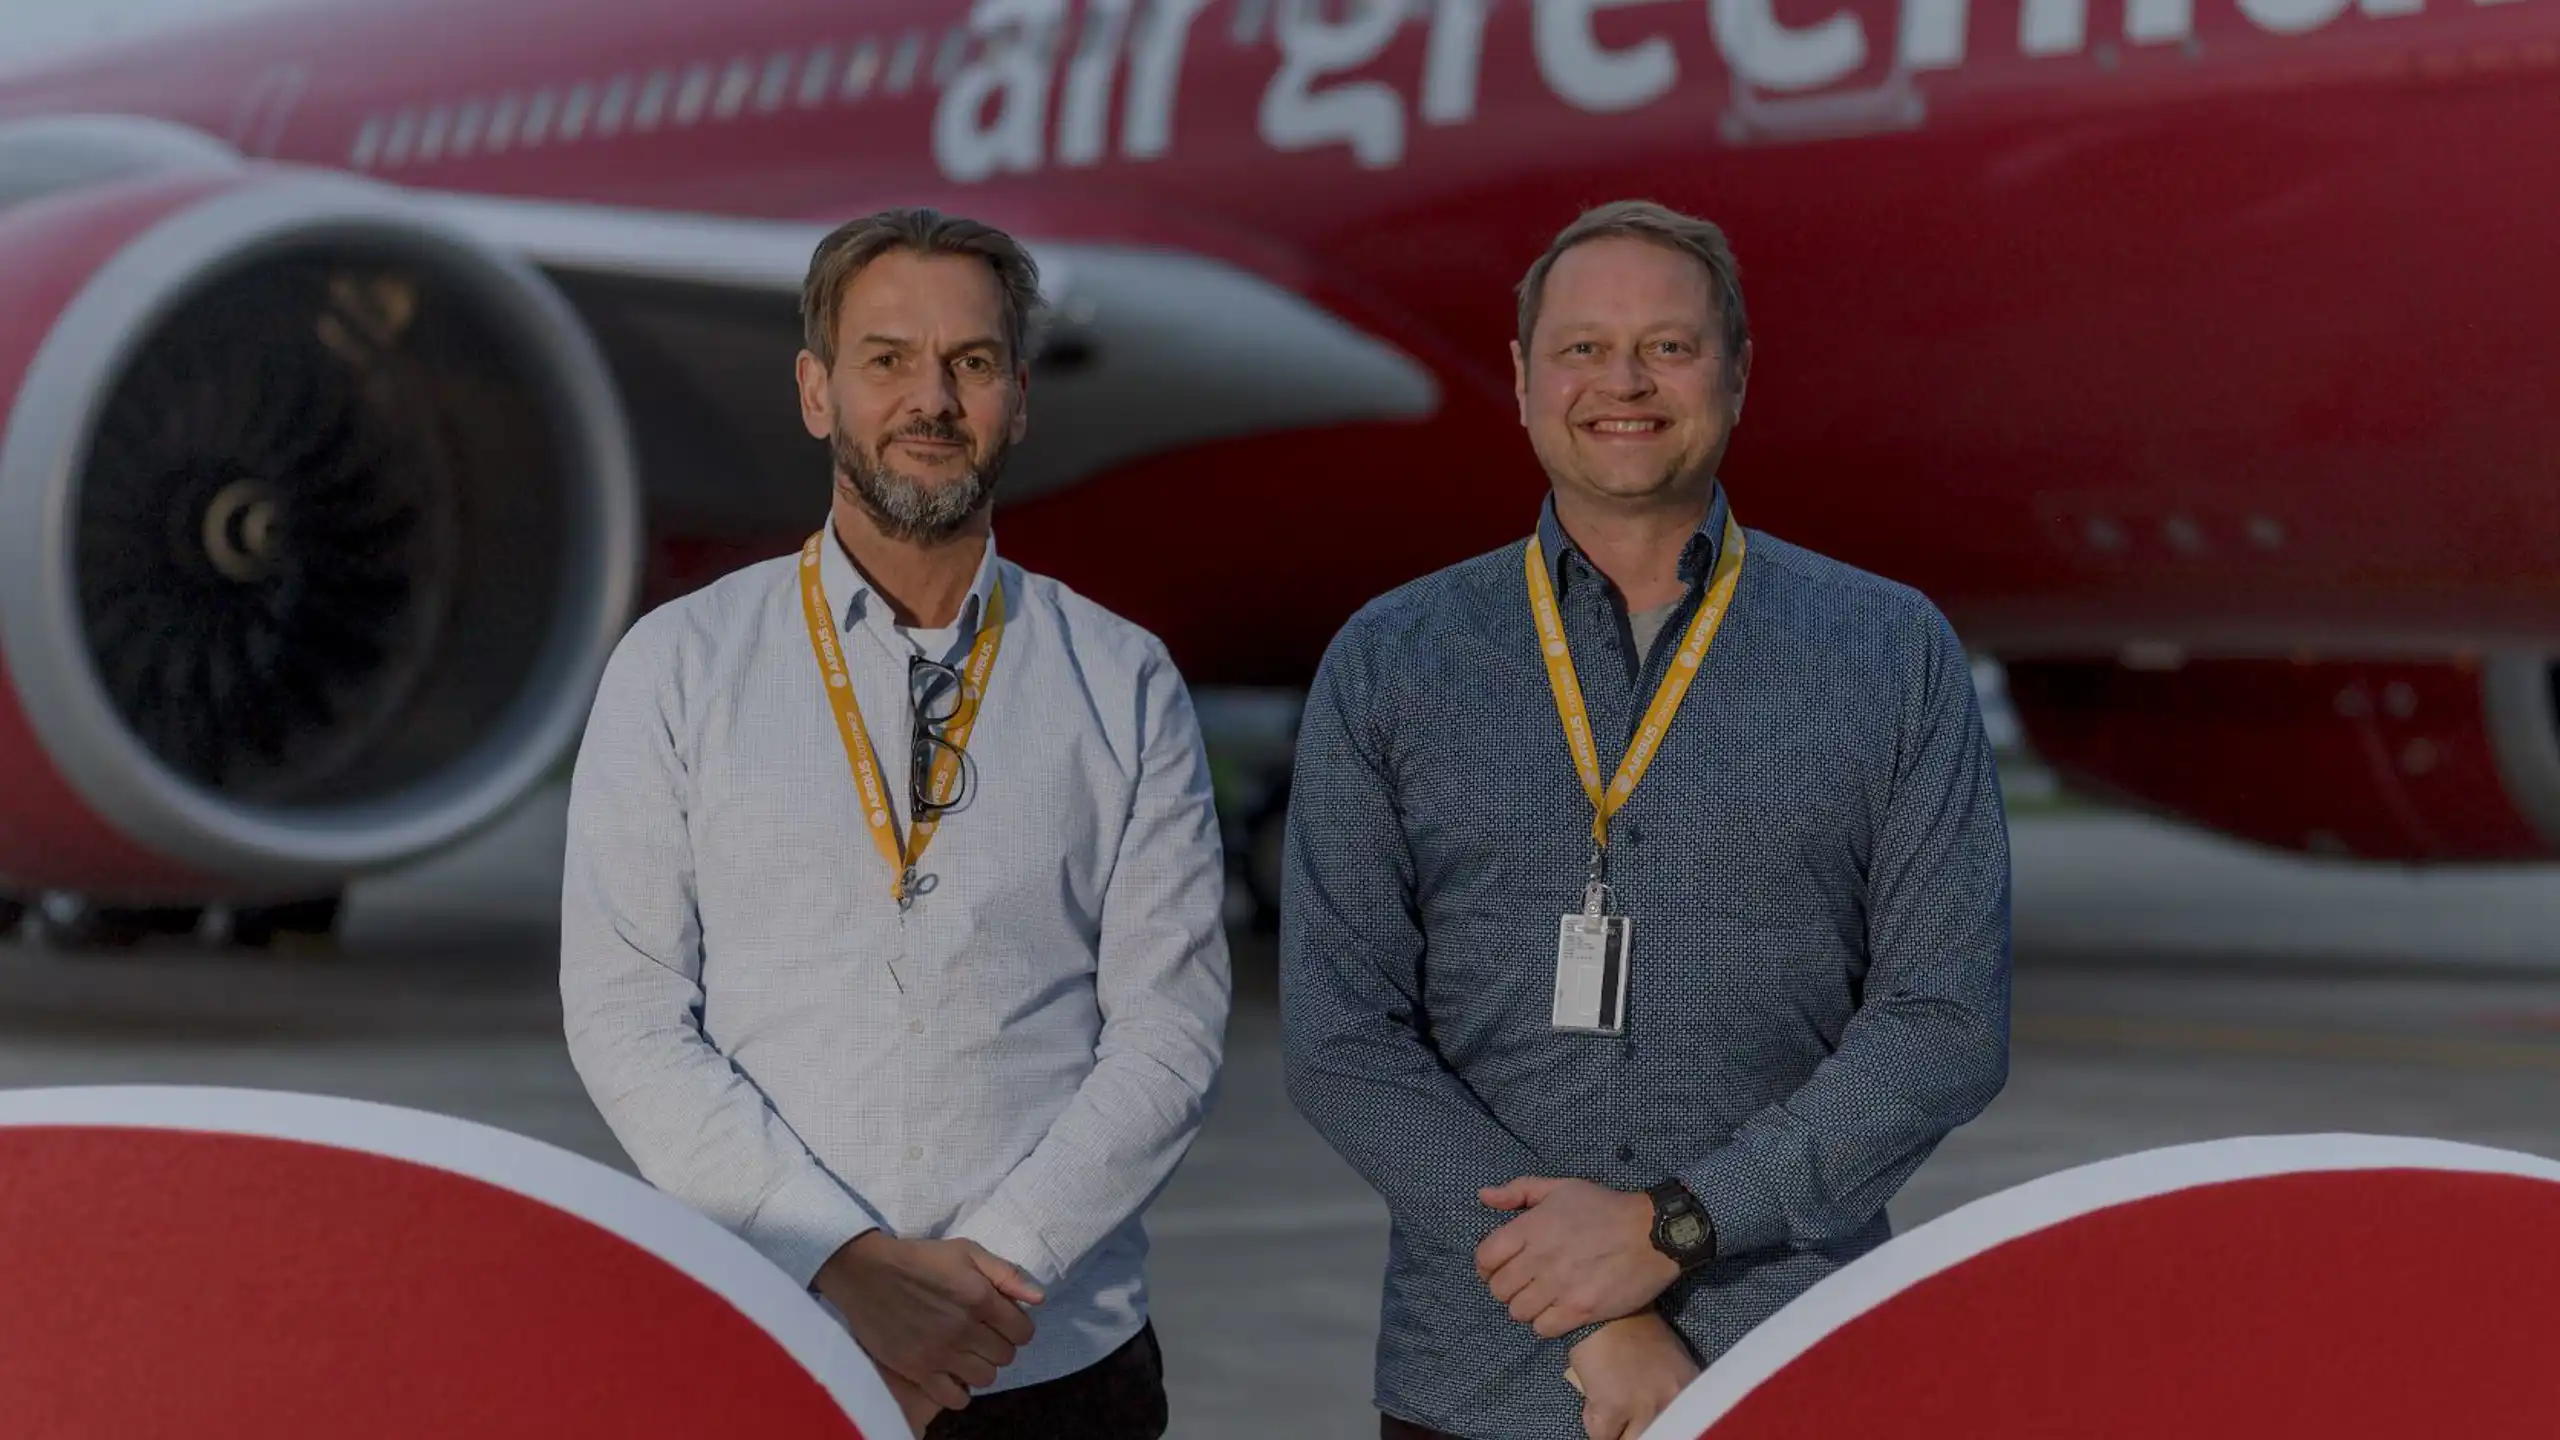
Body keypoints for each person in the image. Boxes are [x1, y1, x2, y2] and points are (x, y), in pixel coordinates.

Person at [1279, 199, 2013, 1440]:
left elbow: (1944, 1022)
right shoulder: (1390, 662)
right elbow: (1343, 1042)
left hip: (1788, 1359)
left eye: (1668, 346)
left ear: (1736, 372)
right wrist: (1590, 1308)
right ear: (1518, 382)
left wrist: (1679, 1224)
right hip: (1478, 1384)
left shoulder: (1892, 654)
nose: (1623, 382)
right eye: (1581, 348)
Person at [560, 207, 1231, 1440]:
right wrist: (843, 1261)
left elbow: (1171, 1035)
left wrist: (978, 1290)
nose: (931, 398)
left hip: (1050, 1356)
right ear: (817, 391)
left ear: (1019, 398)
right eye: (886, 360)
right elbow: (628, 1015)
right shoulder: (679, 665)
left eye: (970, 363)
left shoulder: (1121, 677)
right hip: (773, 1332)